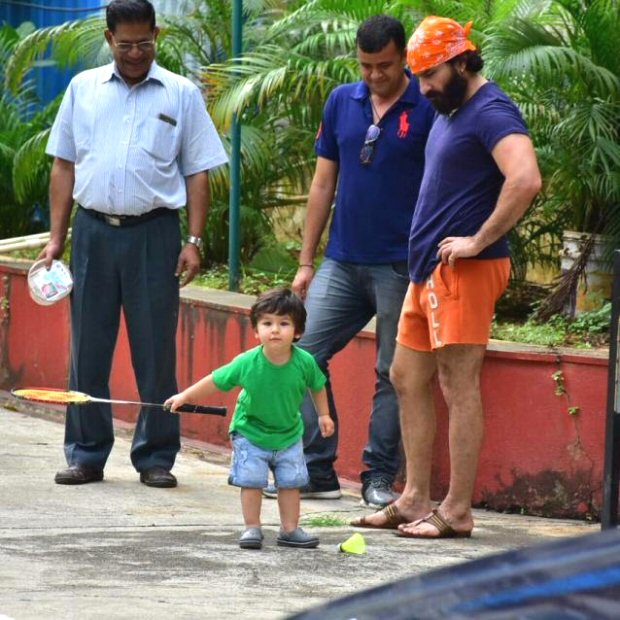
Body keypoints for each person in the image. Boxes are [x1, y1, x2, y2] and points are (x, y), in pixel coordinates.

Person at [351, 16, 542, 536]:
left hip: (467, 270)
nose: (425, 87)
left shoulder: (491, 110)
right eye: (420, 76)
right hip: (429, 271)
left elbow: (525, 178)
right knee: (406, 376)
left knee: (459, 385)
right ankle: (414, 497)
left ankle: (456, 510)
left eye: (432, 74)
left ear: (463, 61)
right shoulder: (451, 108)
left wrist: (478, 240)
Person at [42, 0, 228, 488]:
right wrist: (57, 238)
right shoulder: (83, 90)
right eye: (125, 44)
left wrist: (193, 239)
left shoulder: (181, 93)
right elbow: (63, 163)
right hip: (92, 233)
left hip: (155, 234)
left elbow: (198, 170)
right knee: (88, 349)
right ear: (109, 40)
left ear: (157, 34)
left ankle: (156, 457)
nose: (135, 53)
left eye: (144, 43)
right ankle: (85, 454)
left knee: (155, 352)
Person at [265, 14, 434, 509]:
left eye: (384, 66)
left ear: (403, 58)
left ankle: (378, 476)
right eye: (366, 66)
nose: (374, 76)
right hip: (342, 258)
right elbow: (322, 184)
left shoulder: (426, 105)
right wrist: (305, 260)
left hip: (401, 263)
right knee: (299, 356)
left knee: (392, 371)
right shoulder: (343, 100)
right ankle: (317, 469)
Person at [165, 288, 335, 549]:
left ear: (298, 331)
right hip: (250, 432)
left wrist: (324, 414)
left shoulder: (305, 362)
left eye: (284, 323)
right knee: (252, 482)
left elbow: (318, 385)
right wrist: (185, 397)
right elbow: (216, 380)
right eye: (267, 323)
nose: (275, 330)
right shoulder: (247, 362)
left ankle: (289, 529)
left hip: (289, 434)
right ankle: (252, 528)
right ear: (256, 331)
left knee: (291, 484)